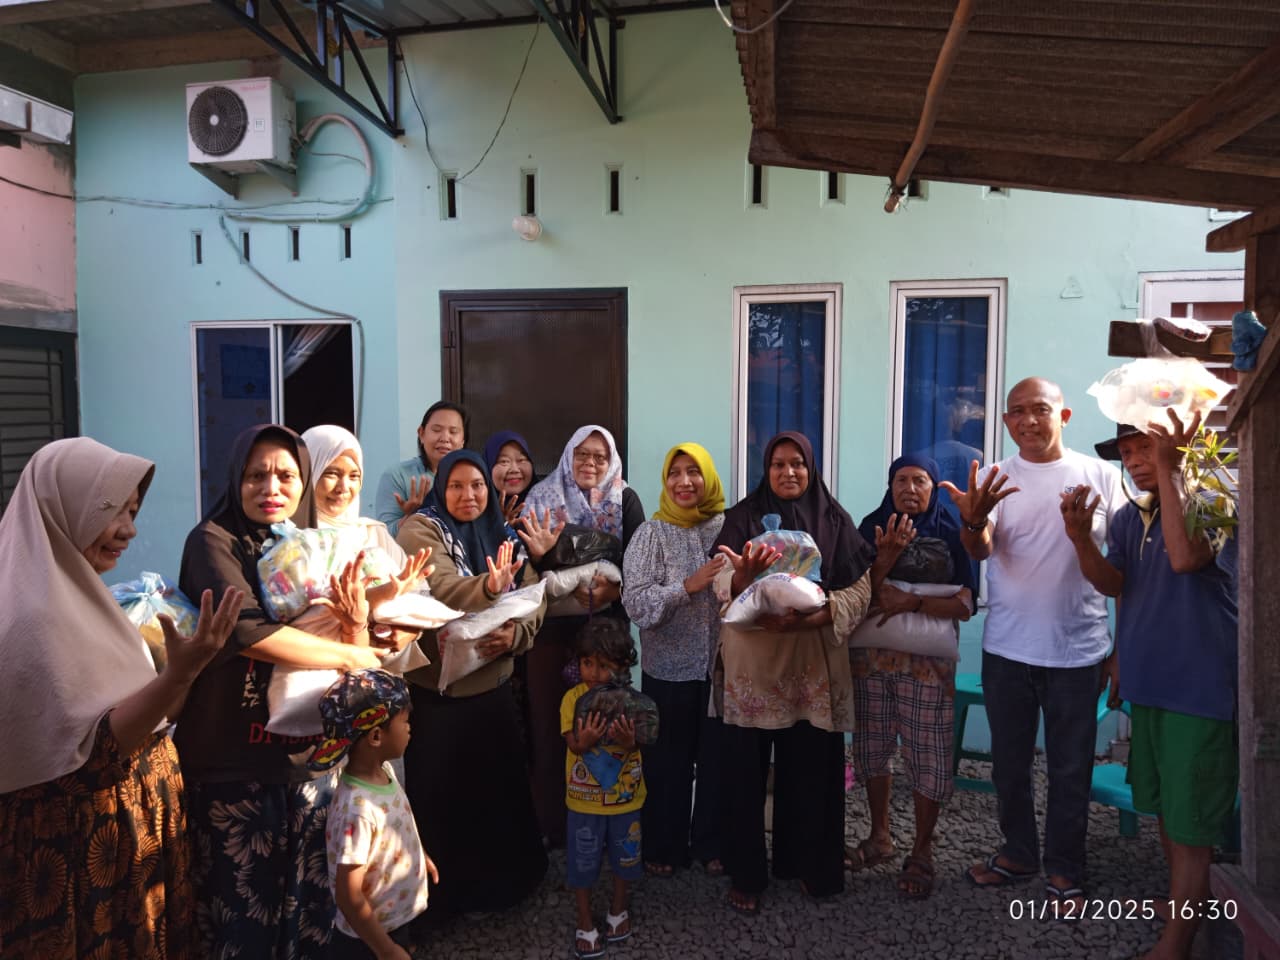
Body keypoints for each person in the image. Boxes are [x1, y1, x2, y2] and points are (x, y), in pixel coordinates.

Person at [0, 437, 244, 960]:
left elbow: (152, 718)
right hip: (80, 854)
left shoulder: (85, 598)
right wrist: (178, 675)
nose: (130, 529)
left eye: (133, 511)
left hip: (124, 839)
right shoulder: (33, 620)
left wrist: (180, 677)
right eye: (112, 510)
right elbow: (94, 754)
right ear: (61, 507)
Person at [178, 424, 396, 958]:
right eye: (256, 475)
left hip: (309, 761)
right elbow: (246, 630)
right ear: (236, 479)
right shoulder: (213, 541)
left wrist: (362, 623)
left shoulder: (306, 543)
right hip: (235, 766)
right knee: (244, 918)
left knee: (312, 914)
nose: (271, 486)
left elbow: (350, 616)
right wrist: (352, 655)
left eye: (285, 475)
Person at [941, 377, 1125, 913]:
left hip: (1078, 651)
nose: (1027, 420)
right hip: (1007, 650)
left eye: (1039, 410)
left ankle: (1066, 868)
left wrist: (1121, 650)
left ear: (1063, 416)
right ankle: (1019, 852)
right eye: (1016, 412)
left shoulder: (1101, 476)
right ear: (1004, 422)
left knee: (1071, 767)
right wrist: (972, 521)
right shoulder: (997, 475)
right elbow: (981, 549)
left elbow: (1125, 569)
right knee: (1009, 765)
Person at [1064, 413, 1237, 957]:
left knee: (1192, 823)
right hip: (1150, 682)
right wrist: (1079, 541)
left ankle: (1178, 941)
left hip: (1201, 687)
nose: (1135, 462)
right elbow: (1115, 582)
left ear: (1182, 449)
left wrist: (1172, 470)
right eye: (1129, 452)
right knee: (1165, 806)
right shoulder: (1127, 516)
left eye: (1147, 449)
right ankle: (1189, 902)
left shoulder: (1214, 501)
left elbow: (1185, 559)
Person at [712, 431, 874, 914]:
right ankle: (747, 873)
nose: (789, 473)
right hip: (754, 667)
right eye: (779, 464)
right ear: (766, 469)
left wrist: (814, 616)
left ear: (811, 468)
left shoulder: (833, 518)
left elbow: (860, 589)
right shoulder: (741, 518)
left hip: (811, 665)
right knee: (744, 772)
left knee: (812, 771)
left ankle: (810, 865)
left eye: (798, 464)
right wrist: (744, 579)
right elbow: (721, 583)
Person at [395, 449, 549, 920]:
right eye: (457, 486)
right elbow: (439, 588)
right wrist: (489, 587)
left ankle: (505, 889)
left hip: (493, 689)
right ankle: (443, 902)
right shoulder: (419, 530)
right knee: (443, 801)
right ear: (442, 487)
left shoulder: (501, 533)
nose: (468, 495)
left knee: (496, 795)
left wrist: (516, 633)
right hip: (440, 697)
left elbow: (535, 594)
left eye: (477, 486)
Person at [847, 453, 977, 899]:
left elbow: (967, 601)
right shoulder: (872, 526)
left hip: (927, 662)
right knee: (872, 745)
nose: (910, 488)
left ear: (934, 485)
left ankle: (922, 849)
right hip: (871, 659)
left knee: (928, 751)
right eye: (901, 480)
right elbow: (855, 591)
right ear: (890, 485)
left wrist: (913, 603)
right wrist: (885, 560)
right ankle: (880, 835)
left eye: (920, 480)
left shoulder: (950, 532)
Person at [518, 425, 646, 846]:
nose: (591, 463)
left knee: (605, 721)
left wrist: (618, 587)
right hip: (551, 632)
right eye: (583, 455)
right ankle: (553, 827)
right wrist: (538, 556)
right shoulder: (541, 497)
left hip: (605, 633)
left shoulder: (624, 499)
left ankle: (609, 822)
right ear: (568, 455)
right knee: (552, 725)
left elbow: (638, 562)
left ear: (611, 462)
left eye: (600, 456)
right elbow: (521, 568)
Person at [621, 442, 727, 878]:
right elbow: (636, 603)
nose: (685, 482)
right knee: (668, 763)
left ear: (708, 477)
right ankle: (664, 846)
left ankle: (712, 844)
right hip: (668, 670)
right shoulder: (652, 533)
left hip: (721, 669)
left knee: (720, 762)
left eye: (694, 472)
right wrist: (686, 586)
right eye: (675, 473)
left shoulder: (728, 527)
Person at [315, 670, 438, 960]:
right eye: (405, 721)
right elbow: (348, 895)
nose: (410, 728)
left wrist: (418, 854)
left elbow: (397, 824)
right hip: (369, 937)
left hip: (394, 920)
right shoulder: (357, 810)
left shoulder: (383, 772)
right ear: (375, 736)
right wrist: (385, 950)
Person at [561, 618, 646, 960]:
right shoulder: (572, 699)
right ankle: (584, 920)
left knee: (626, 858)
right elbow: (572, 744)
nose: (594, 673)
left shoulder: (634, 701)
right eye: (587, 663)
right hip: (584, 802)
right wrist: (585, 741)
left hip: (627, 800)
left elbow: (645, 739)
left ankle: (617, 910)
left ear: (624, 667)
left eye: (604, 666)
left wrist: (630, 741)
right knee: (582, 862)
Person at [374, 401, 468, 536]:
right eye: (436, 430)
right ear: (421, 433)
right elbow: (383, 536)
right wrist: (413, 516)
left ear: (462, 441)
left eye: (453, 432)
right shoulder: (397, 475)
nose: (445, 438)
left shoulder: (471, 478)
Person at [484, 429, 539, 524]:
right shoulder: (475, 510)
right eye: (504, 461)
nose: (514, 469)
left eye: (521, 460)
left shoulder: (550, 504)